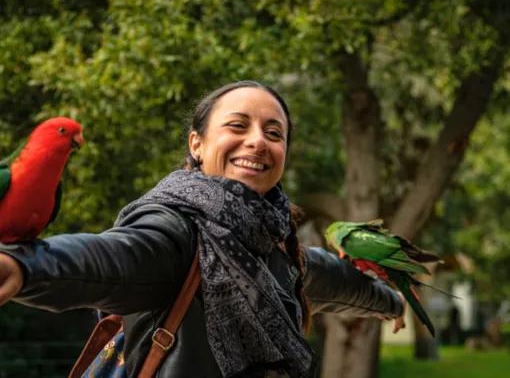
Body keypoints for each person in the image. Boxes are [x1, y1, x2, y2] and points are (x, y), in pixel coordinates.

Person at [0, 81, 404, 378]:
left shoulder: (278, 243)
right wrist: (24, 267)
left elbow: (330, 279)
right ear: (197, 144)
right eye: (238, 126)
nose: (258, 142)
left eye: (274, 133)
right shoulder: (174, 227)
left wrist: (393, 301)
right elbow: (113, 259)